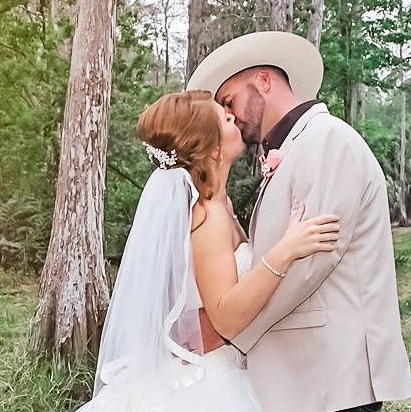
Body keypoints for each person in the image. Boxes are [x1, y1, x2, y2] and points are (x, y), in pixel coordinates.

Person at [185, 31, 411, 411]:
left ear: (262, 82)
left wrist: (230, 331)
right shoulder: (294, 147)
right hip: (303, 378)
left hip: (336, 377)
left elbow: (309, 264)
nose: (231, 116)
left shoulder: (327, 140)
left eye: (230, 101)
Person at [76, 90, 341, 411]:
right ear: (210, 147)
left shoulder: (218, 205)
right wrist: (286, 250)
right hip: (209, 380)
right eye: (224, 118)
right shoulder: (206, 215)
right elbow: (225, 317)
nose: (233, 117)